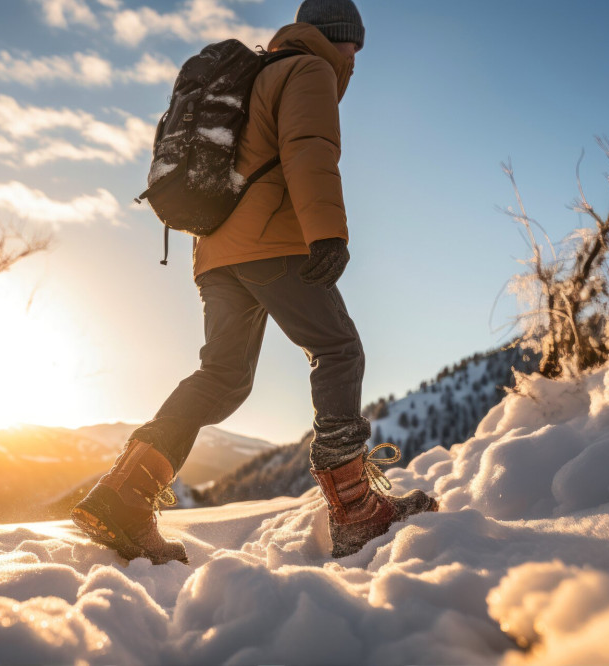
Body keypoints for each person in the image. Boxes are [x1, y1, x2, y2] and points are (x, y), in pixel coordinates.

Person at [72, 0, 437, 564]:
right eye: (351, 44)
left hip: (216, 251)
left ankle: (123, 496)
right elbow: (308, 151)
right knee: (338, 349)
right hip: (272, 243)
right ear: (330, 37)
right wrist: (327, 234)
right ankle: (356, 512)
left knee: (222, 377)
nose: (354, 59)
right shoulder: (307, 68)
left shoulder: (259, 73)